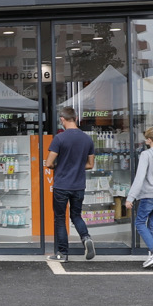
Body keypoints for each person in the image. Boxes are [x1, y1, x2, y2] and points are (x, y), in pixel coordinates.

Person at [45, 111, 96, 261]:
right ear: (76, 118)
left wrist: (59, 167)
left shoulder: (59, 138)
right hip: (78, 185)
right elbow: (90, 165)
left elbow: (48, 163)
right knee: (76, 215)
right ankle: (86, 238)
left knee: (60, 219)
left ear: (62, 119)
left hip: (62, 185)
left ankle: (62, 253)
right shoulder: (87, 139)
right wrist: (77, 167)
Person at [126, 125, 153, 270]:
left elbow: (140, 177)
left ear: (150, 140)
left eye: (146, 138)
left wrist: (131, 197)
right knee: (152, 225)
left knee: (139, 223)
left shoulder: (146, 155)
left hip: (149, 193)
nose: (145, 140)